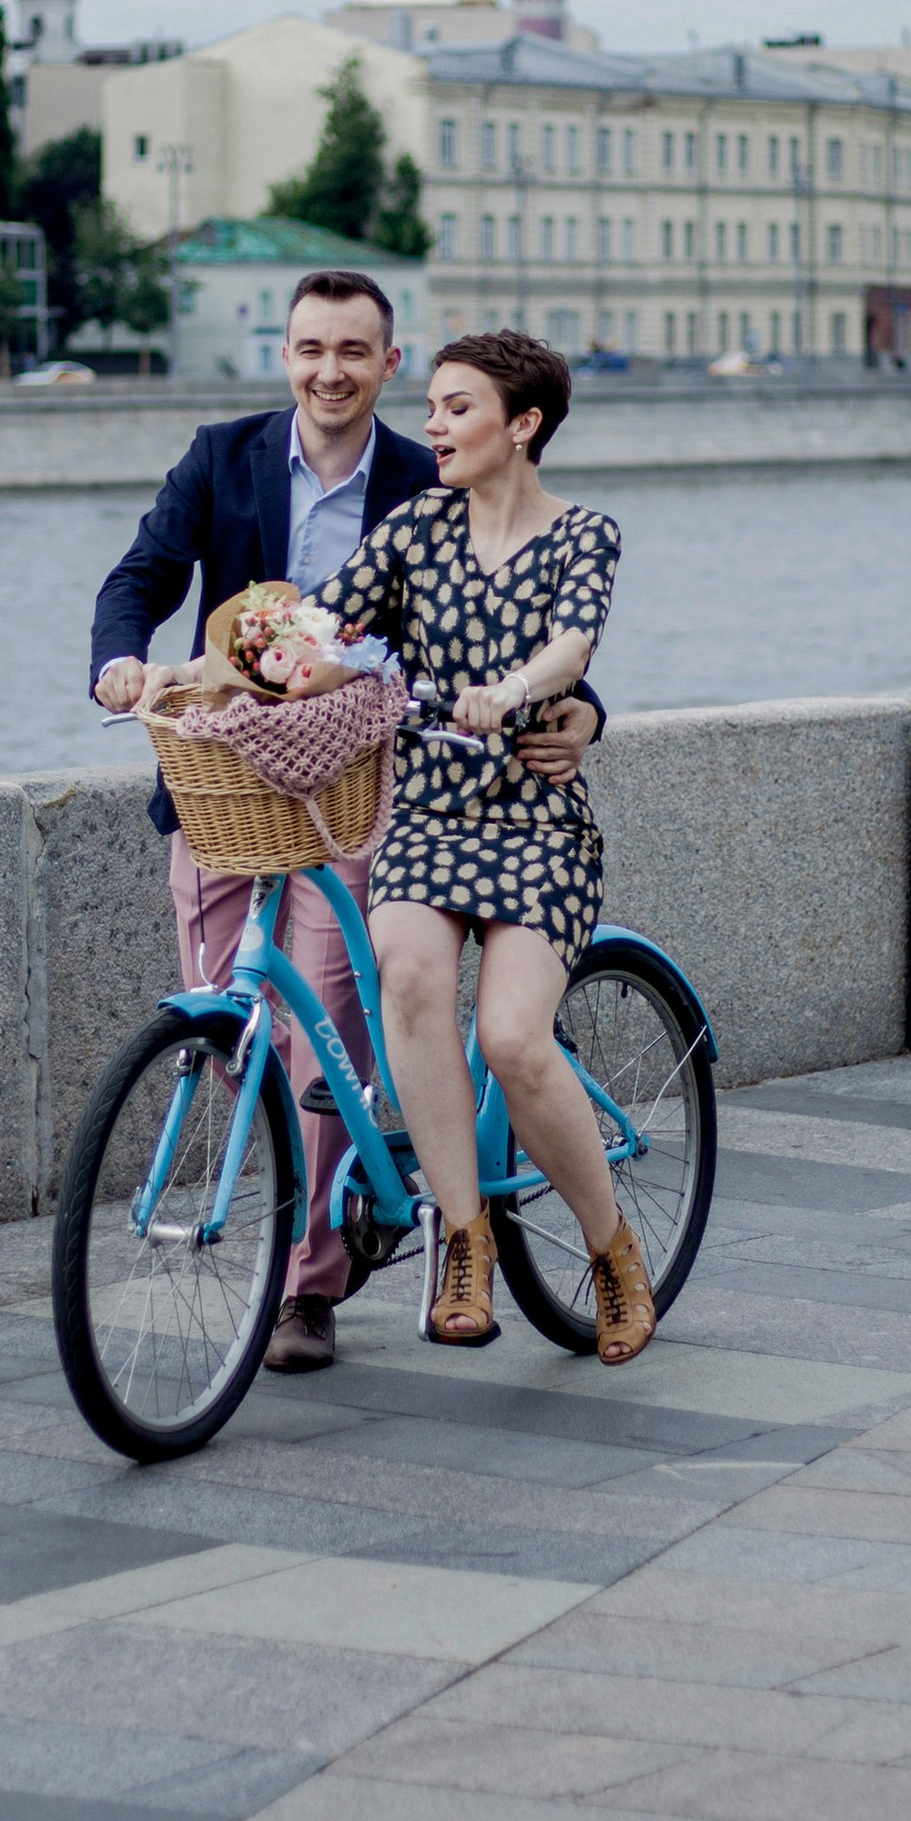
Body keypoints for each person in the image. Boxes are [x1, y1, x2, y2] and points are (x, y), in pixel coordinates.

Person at [92, 269, 600, 1372]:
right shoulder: (220, 458)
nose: (330, 370)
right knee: (237, 1022)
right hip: (222, 788)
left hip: (368, 795)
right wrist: (121, 664)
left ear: (388, 364)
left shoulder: (432, 478)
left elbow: (520, 620)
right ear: (284, 355)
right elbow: (138, 576)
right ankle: (322, 1201)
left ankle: (306, 1289)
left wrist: (582, 708)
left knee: (324, 1024)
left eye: (354, 352)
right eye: (309, 348)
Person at [313, 327, 653, 1365]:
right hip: (426, 817)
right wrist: (223, 672)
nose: (433, 425)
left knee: (511, 1037)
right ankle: (462, 1241)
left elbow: (573, 641)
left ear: (525, 425)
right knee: (409, 979)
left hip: (534, 823)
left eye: (457, 407)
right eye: (432, 407)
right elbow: (323, 628)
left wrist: (513, 690)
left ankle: (610, 1250)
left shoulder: (583, 533)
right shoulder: (413, 528)